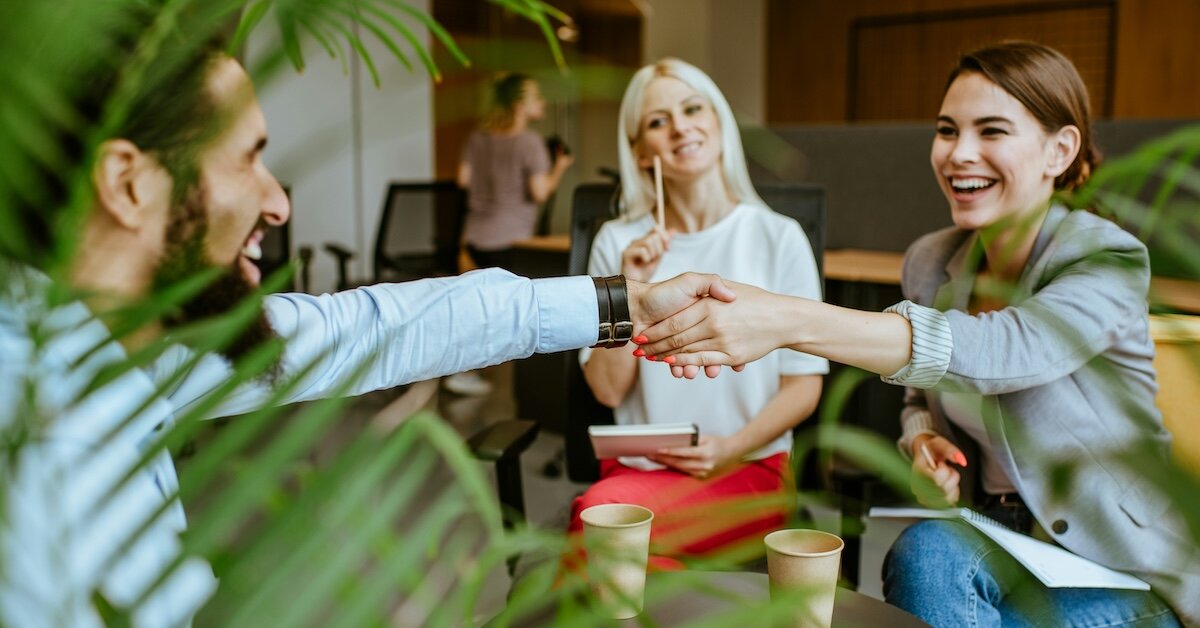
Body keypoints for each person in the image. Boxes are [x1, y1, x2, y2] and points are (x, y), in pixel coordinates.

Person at [0, 38, 736, 625]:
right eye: (250, 158)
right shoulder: (51, 461)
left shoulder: (124, 345)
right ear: (131, 186)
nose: (279, 202)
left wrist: (624, 304)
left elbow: (368, 326)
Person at [635, 42, 1196, 625]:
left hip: (1118, 565)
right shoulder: (932, 261)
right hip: (1001, 536)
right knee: (924, 553)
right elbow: (917, 395)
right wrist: (923, 439)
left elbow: (1004, 350)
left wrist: (788, 319)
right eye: (947, 130)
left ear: (1060, 150)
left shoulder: (1108, 257)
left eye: (992, 131)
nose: (960, 154)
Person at [568, 58, 827, 567]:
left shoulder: (778, 237)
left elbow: (804, 385)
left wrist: (729, 448)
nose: (680, 126)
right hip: (638, 470)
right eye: (658, 121)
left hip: (747, 465)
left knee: (607, 533)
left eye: (692, 109)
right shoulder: (618, 242)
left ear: (718, 122)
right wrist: (624, 287)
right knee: (622, 540)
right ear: (641, 151)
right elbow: (607, 390)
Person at [447, 73, 575, 396]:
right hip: (510, 240)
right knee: (510, 313)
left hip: (473, 238)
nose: (543, 103)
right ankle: (523, 386)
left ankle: (462, 371)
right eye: (537, 98)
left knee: (475, 310)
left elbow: (462, 180)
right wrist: (560, 167)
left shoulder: (478, 138)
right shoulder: (529, 143)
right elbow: (540, 192)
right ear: (520, 105)